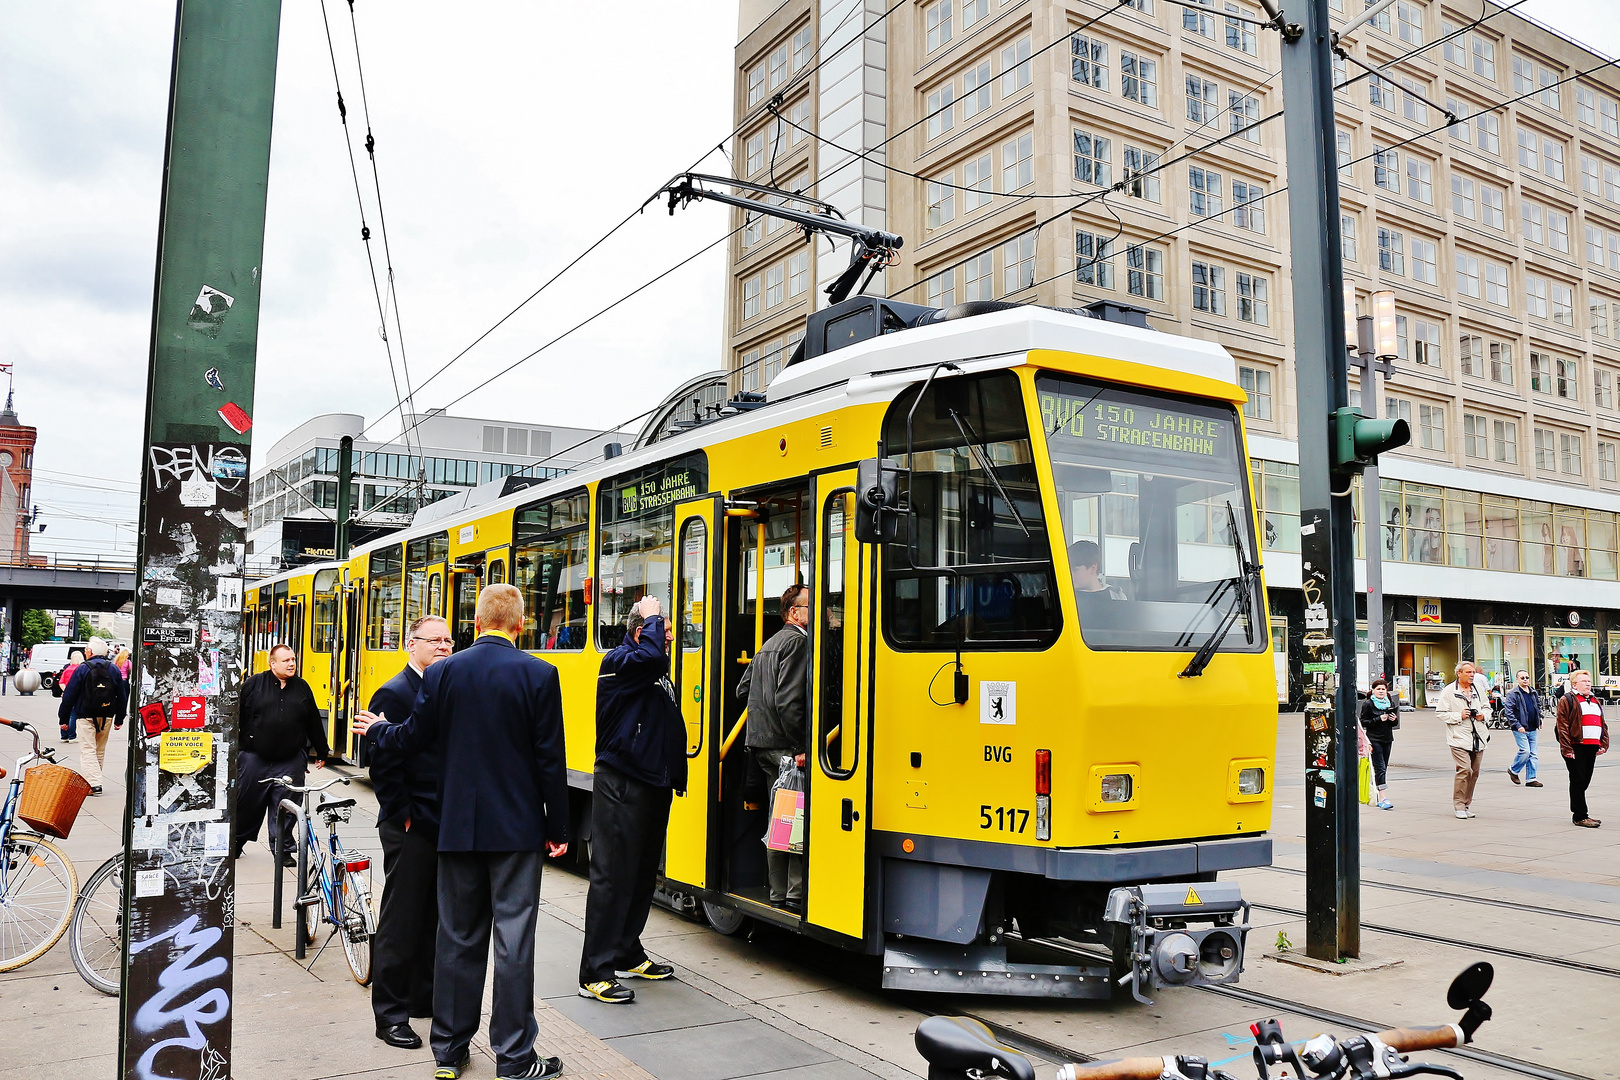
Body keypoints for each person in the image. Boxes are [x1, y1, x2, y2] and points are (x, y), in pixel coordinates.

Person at [354, 584, 569, 1080]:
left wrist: (380, 731)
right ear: (520, 625)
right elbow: (549, 759)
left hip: (457, 829)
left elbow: (414, 737)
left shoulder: (446, 671)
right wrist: (557, 827)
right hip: (516, 831)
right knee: (513, 941)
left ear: (475, 624)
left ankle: (448, 1051)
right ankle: (515, 1058)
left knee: (456, 937)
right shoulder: (540, 673)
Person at [577, 595, 685, 1004]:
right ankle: (595, 972)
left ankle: (626, 951)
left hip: (652, 784)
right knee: (611, 878)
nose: (670, 639)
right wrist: (654, 617)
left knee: (640, 875)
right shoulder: (621, 662)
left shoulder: (651, 669)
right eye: (665, 631)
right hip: (621, 782)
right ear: (642, 631)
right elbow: (653, 656)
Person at [368, 615, 454, 1050]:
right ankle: (390, 1015)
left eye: (448, 640)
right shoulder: (395, 691)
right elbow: (381, 761)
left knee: (431, 919)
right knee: (401, 920)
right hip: (410, 823)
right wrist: (401, 813)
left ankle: (423, 997)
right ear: (411, 645)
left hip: (441, 821)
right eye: (433, 641)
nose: (442, 646)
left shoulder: (446, 687)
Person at [737, 583, 810, 912]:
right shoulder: (797, 643)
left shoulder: (770, 643)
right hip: (785, 746)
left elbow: (743, 690)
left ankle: (778, 893)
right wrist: (799, 745)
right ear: (795, 613)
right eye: (814, 606)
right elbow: (790, 701)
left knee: (777, 817)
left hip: (761, 745)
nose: (824, 612)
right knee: (794, 817)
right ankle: (794, 894)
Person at [233, 643, 328, 865]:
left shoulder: (302, 688)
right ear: (272, 663)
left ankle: (283, 848)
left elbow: (313, 721)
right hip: (254, 757)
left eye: (293, 659)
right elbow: (238, 716)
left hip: (290, 759)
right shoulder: (254, 684)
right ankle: (237, 841)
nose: (291, 664)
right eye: (286, 660)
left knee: (287, 805)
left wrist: (321, 750)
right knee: (246, 802)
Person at [57, 637, 126, 796]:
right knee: (99, 750)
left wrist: (63, 718)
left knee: (88, 749)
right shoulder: (113, 669)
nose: (85, 651)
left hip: (85, 714)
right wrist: (120, 718)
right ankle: (92, 781)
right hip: (107, 714)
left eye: (87, 649)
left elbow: (69, 695)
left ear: (92, 652)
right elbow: (121, 695)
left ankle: (94, 783)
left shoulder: (82, 668)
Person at [1434, 660, 1491, 820]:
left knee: (1475, 772)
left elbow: (1487, 707)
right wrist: (1459, 715)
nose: (1472, 675)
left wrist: (1483, 715)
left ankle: (1466, 804)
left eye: (1473, 672)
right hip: (1458, 737)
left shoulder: (1478, 690)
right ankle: (1458, 804)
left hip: (1478, 736)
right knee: (1465, 770)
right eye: (1468, 672)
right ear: (1459, 673)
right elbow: (1440, 713)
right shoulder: (1449, 691)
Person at [1554, 669, 1609, 828]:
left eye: (1588, 681)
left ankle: (1580, 812)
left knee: (1585, 779)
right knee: (1578, 780)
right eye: (1583, 681)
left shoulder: (1594, 699)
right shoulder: (1568, 699)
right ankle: (1580, 815)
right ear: (1574, 684)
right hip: (1576, 745)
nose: (1587, 683)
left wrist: (1603, 743)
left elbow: (1601, 723)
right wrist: (1567, 748)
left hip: (1591, 746)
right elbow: (1562, 725)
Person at [1358, 675, 1399, 810]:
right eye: (1378, 689)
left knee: (1383, 767)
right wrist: (1378, 719)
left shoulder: (1390, 703)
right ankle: (1382, 797)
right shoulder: (1368, 704)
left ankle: (1376, 790)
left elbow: (1395, 723)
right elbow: (1363, 722)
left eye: (1383, 689)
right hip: (1374, 739)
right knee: (1380, 767)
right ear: (1373, 690)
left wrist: (1393, 719)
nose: (1381, 691)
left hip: (1387, 739)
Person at [1503, 669, 1543, 788]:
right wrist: (1517, 725)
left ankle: (1531, 778)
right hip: (1520, 728)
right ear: (1517, 679)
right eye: (1522, 678)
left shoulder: (1533, 692)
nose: (1525, 680)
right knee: (1525, 751)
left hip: (1532, 727)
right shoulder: (1513, 694)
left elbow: (1538, 706)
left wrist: (1540, 718)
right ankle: (1514, 770)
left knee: (1533, 754)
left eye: (1527, 677)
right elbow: (1508, 711)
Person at [58, 648, 85, 742]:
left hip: (66, 695)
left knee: (65, 713)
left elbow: (61, 682)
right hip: (77, 695)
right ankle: (72, 735)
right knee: (73, 715)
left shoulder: (67, 669)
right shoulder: (81, 669)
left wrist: (66, 691)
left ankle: (64, 735)